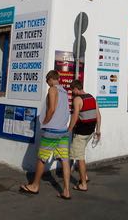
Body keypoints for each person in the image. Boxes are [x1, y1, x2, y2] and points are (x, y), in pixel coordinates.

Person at [20, 70, 72, 199]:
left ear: (50, 79)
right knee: (65, 160)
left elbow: (52, 108)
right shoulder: (65, 92)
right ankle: (66, 191)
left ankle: (35, 185)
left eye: (47, 81)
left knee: (42, 158)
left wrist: (45, 121)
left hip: (52, 131)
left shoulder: (53, 90)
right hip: (63, 131)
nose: (47, 84)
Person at [68, 80, 101, 192]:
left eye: (73, 91)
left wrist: (69, 129)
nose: (72, 93)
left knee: (80, 157)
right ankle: (85, 176)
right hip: (90, 132)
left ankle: (83, 184)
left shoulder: (77, 99)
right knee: (80, 153)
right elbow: (98, 115)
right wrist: (98, 130)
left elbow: (75, 116)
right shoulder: (92, 97)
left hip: (80, 133)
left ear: (76, 89)